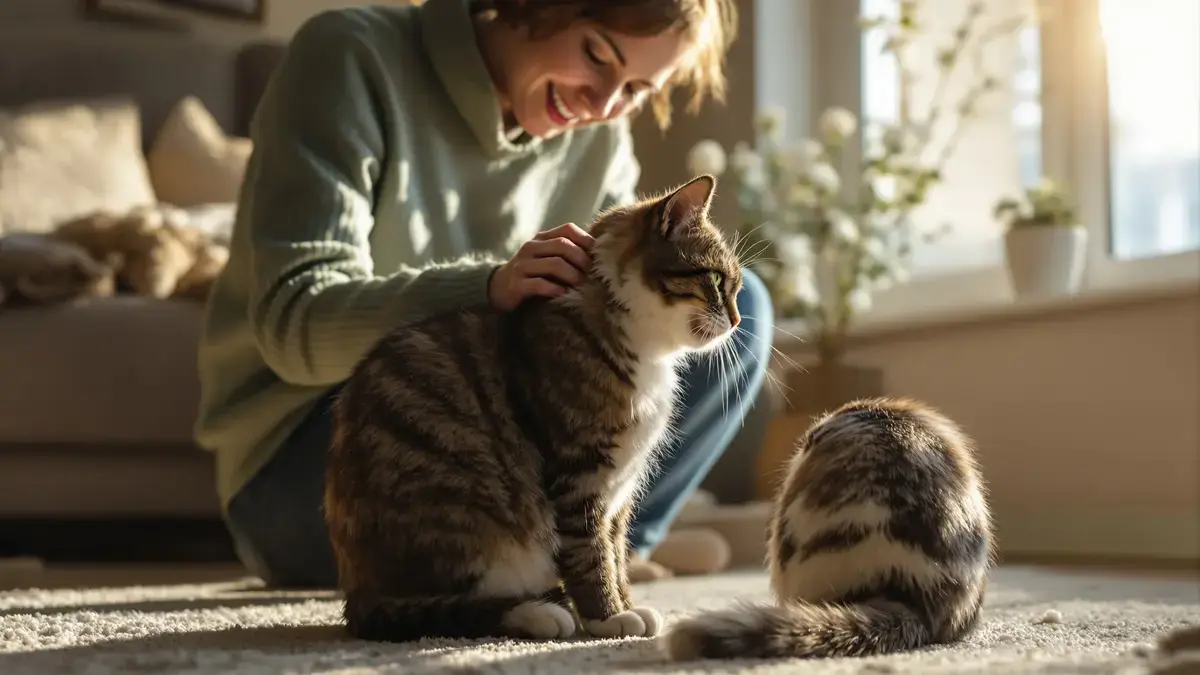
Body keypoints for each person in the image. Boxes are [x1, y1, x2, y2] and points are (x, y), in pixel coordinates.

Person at [194, 0, 774, 588]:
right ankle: (558, 559)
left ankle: (604, 553)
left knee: (740, 307)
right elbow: (293, 323)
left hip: (519, 447)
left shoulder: (600, 135)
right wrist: (489, 288)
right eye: (597, 54)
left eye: (635, 90)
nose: (601, 105)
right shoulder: (350, 54)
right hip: (307, 454)